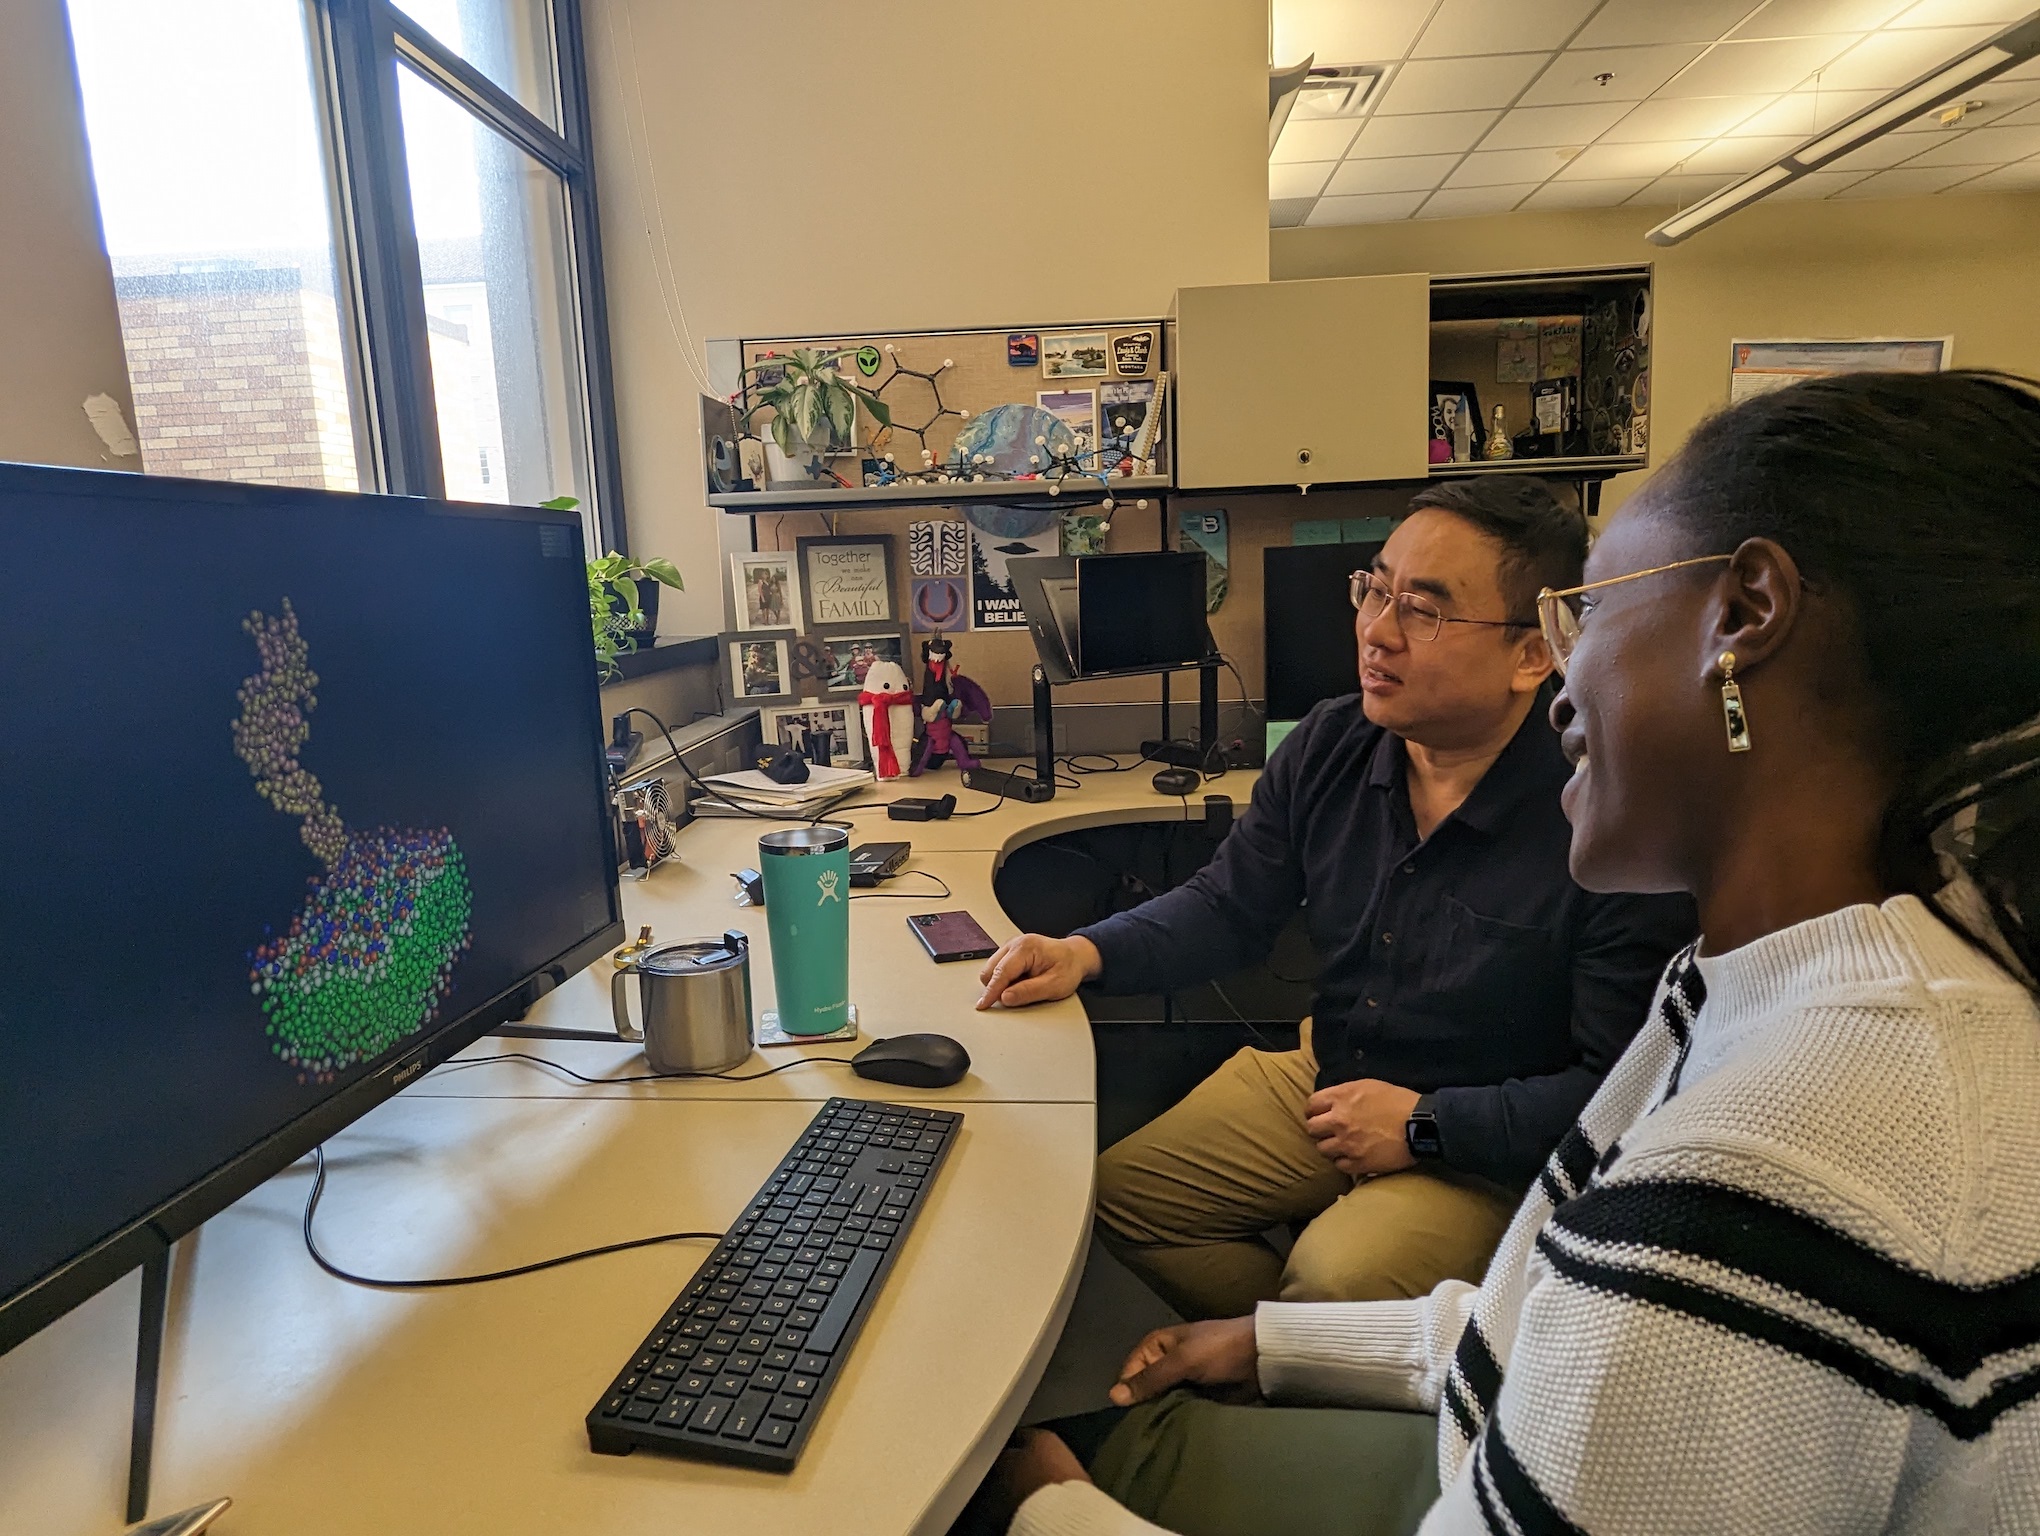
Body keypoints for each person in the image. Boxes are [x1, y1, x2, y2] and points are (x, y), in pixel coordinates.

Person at [988, 369, 2040, 1536]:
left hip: (1472, 1137)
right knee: (1115, 1219)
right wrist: (1278, 1343)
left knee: (1103, 1446)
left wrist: (1055, 1517)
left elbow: (1639, 1281)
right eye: (1373, 593)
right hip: (1357, 1119)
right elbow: (1549, 1308)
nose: (1572, 674)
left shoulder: (1776, 1163)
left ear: (1743, 620)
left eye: (1590, 613)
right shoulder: (1745, 986)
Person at [977, 478, 1696, 1316]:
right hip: (1335, 1077)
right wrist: (1082, 951)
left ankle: (1320, 1354)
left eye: (1423, 611)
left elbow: (1623, 1090)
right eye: (1375, 590)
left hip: (1485, 1145)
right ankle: (1298, 1357)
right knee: (1115, 1199)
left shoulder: (1605, 814)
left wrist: (1425, 1126)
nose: (1376, 632)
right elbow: (1227, 905)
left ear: (1533, 653)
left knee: (1334, 1278)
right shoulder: (1333, 743)